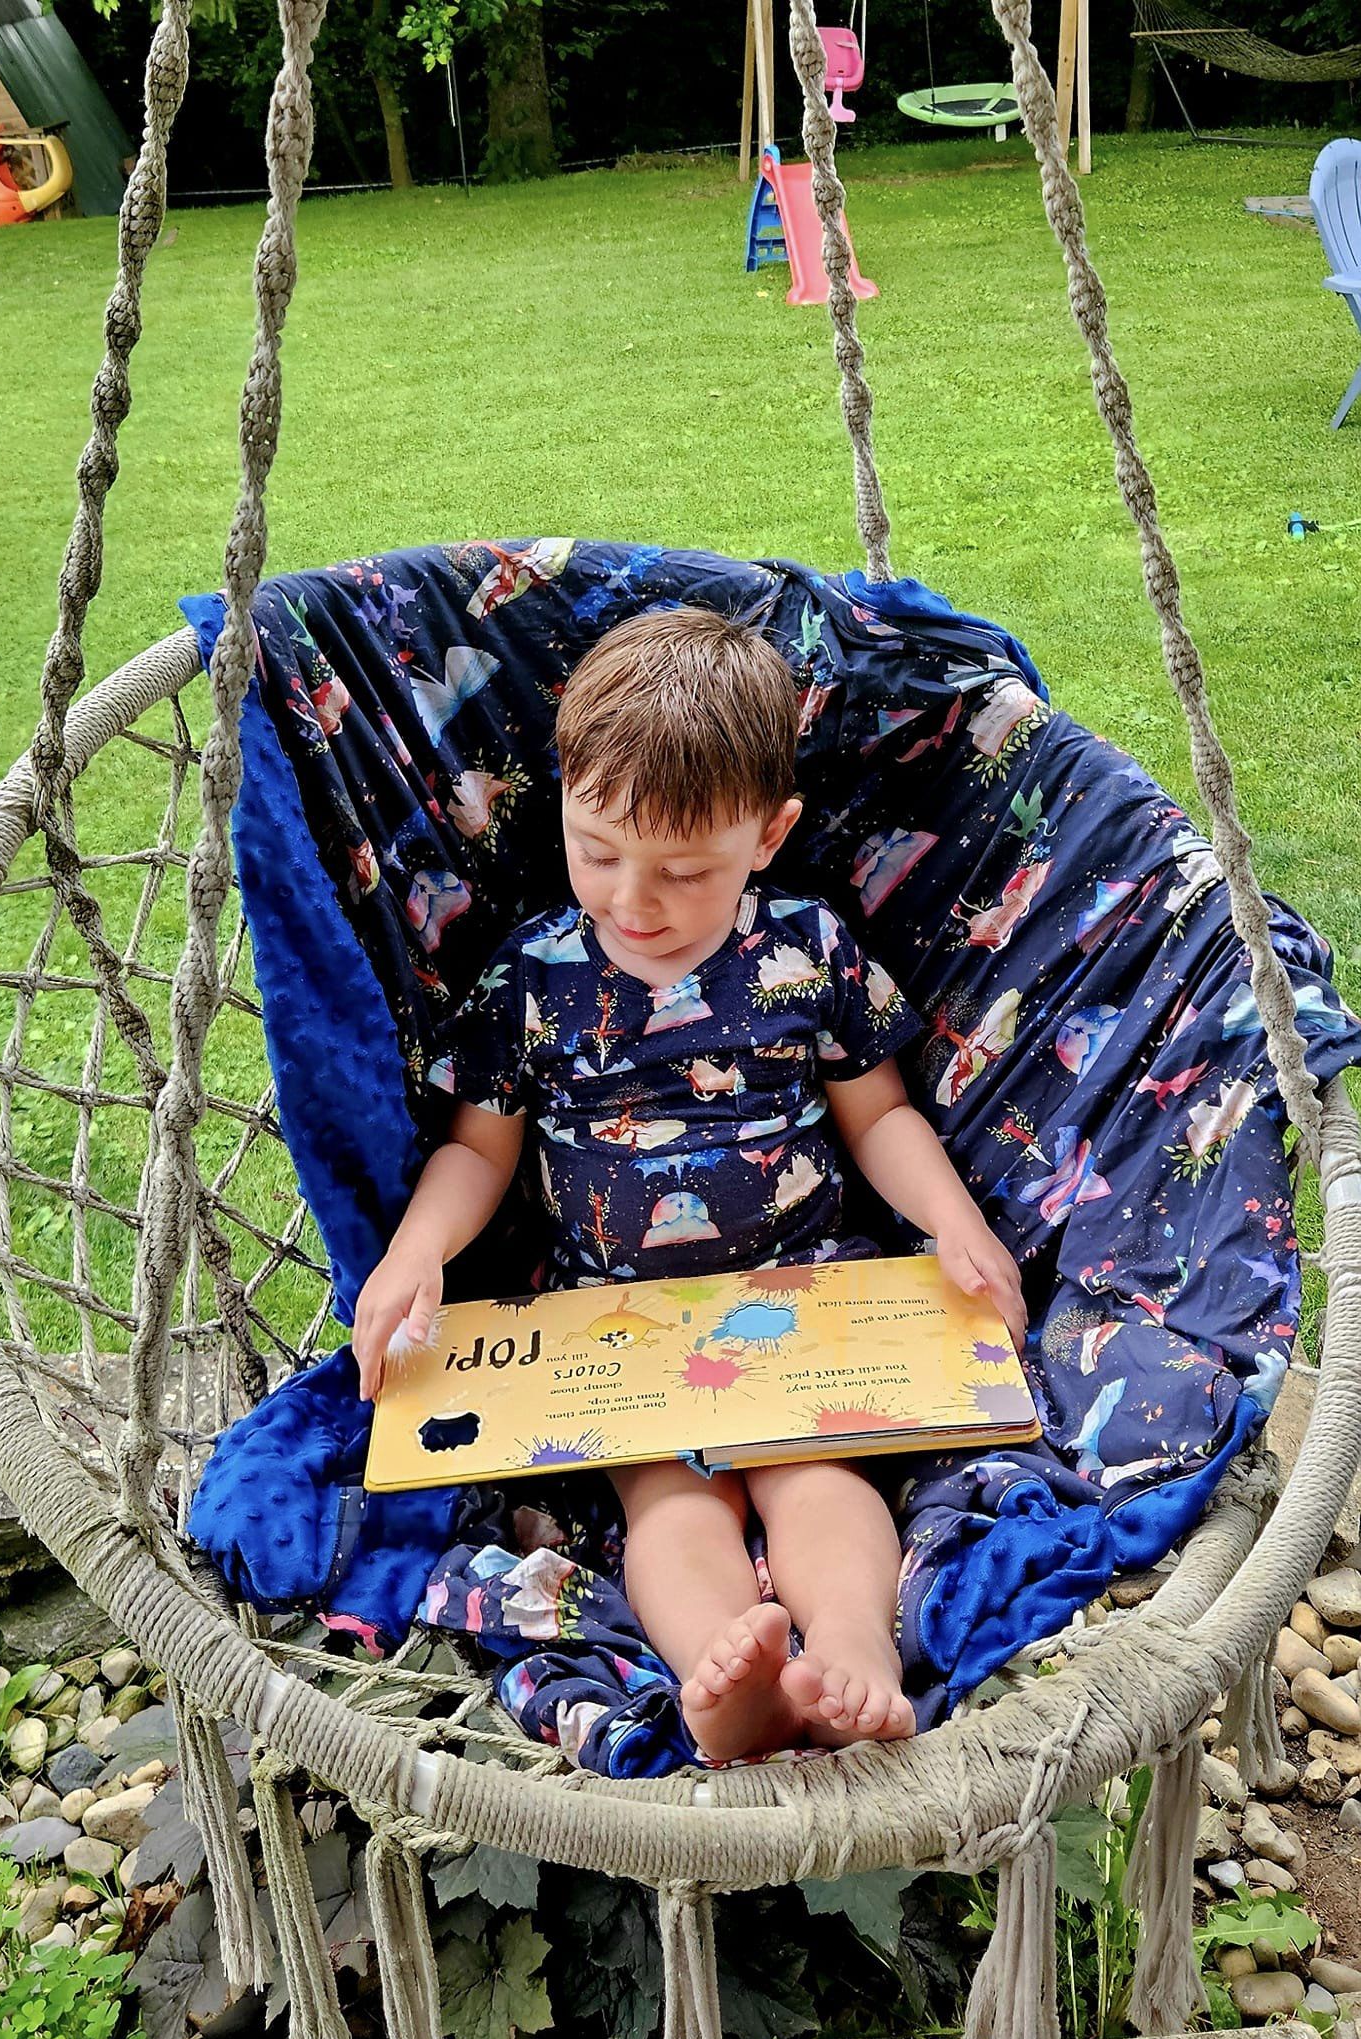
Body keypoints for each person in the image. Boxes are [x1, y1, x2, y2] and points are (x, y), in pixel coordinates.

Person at [353, 606, 1026, 1761]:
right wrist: (415, 1251)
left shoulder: (802, 949)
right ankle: (732, 1676)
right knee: (668, 1506)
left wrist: (953, 1222)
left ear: (768, 834)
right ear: (561, 801)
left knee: (815, 1477)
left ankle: (853, 1647)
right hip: (618, 1322)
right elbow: (478, 1148)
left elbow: (880, 1115)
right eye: (596, 851)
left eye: (683, 870)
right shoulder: (533, 976)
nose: (633, 902)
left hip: (804, 1293)